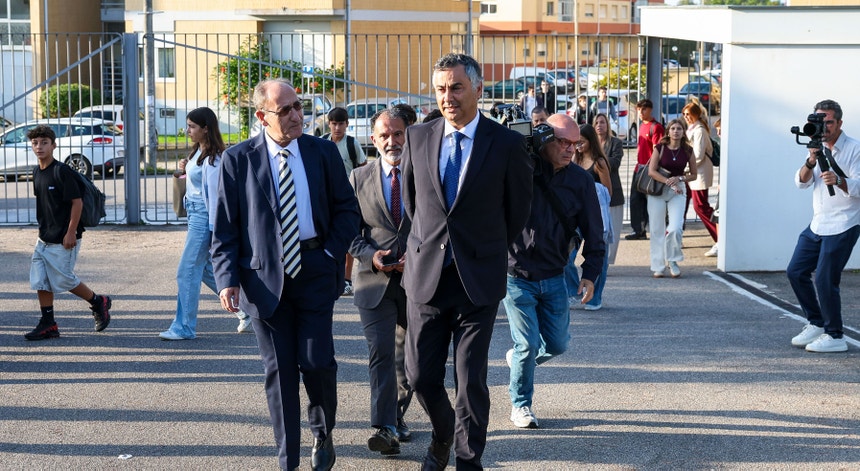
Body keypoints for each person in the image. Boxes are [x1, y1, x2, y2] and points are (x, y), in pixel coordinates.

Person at [211, 78, 360, 471]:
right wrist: (226, 279)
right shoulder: (239, 160)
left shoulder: (322, 152)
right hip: (263, 281)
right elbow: (224, 227)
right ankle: (288, 460)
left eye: (298, 106)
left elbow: (348, 210)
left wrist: (330, 253)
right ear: (263, 117)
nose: (297, 115)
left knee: (317, 362)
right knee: (280, 373)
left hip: (315, 270)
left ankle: (322, 432)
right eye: (286, 110)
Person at [400, 53, 532, 471]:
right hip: (426, 278)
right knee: (420, 376)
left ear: (478, 89)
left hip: (477, 280)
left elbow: (517, 212)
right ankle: (443, 434)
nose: (448, 97)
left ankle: (468, 462)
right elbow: (412, 205)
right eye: (441, 89)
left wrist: (484, 248)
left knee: (470, 380)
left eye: (456, 87)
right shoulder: (418, 137)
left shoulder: (506, 144)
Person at [503, 113, 603, 428]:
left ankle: (520, 360)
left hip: (555, 275)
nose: (570, 149)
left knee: (558, 344)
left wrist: (590, 274)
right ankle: (521, 405)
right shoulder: (519, 170)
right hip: (516, 274)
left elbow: (594, 231)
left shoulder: (581, 180)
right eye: (562, 142)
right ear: (544, 139)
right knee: (527, 343)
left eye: (575, 143)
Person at [348, 108, 414, 456]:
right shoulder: (358, 178)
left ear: (408, 134)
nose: (392, 141)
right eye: (385, 135)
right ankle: (385, 427)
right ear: (373, 139)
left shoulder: (423, 174)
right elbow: (348, 230)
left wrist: (416, 259)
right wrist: (370, 255)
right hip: (373, 282)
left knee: (412, 361)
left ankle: (397, 414)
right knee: (381, 354)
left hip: (418, 282)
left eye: (398, 134)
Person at [159, 107, 251, 340]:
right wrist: (184, 170)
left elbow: (216, 198)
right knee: (205, 269)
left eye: (192, 126)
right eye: (188, 125)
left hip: (204, 217)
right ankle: (246, 310)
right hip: (194, 214)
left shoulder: (215, 159)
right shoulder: (198, 153)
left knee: (187, 271)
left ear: (206, 129)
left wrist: (215, 230)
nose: (187, 130)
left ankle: (184, 328)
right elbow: (195, 183)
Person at [23, 125, 112, 341]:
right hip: (44, 238)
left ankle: (98, 302)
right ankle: (48, 324)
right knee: (41, 280)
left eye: (44, 143)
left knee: (63, 279)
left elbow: (77, 203)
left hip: (64, 238)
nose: (39, 147)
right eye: (35, 143)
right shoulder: (37, 172)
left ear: (53, 145)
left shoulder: (62, 172)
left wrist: (71, 232)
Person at [788, 99, 860, 353]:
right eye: (820, 122)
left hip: (844, 223)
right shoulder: (815, 147)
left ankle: (835, 335)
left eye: (829, 122)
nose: (824, 127)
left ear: (839, 123)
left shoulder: (855, 149)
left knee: (825, 279)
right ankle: (817, 323)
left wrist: (840, 181)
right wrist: (810, 161)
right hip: (818, 223)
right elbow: (801, 183)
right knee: (796, 271)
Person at [566, 123, 612, 311]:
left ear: (591, 141)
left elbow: (608, 192)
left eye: (581, 142)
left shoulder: (599, 163)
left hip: (597, 215)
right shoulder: (573, 160)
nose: (577, 146)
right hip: (575, 215)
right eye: (575, 142)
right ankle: (573, 292)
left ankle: (595, 297)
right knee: (566, 255)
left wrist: (592, 192)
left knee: (599, 257)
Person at [323, 106, 367, 297]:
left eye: (341, 124)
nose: (337, 128)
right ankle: (330, 276)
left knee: (348, 238)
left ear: (347, 124)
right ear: (329, 124)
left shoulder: (351, 144)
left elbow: (363, 167)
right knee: (327, 237)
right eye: (334, 124)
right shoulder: (322, 142)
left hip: (348, 199)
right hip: (326, 198)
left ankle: (347, 279)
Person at [646, 118, 697, 279]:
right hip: (658, 188)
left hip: (678, 190)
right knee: (657, 229)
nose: (676, 131)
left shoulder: (688, 150)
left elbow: (694, 174)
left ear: (683, 132)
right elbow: (651, 171)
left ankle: (673, 261)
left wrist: (680, 179)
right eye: (673, 128)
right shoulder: (660, 148)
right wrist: (668, 181)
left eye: (679, 129)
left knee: (675, 227)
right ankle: (658, 266)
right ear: (668, 131)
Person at [682, 103, 718, 257]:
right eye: (684, 114)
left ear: (696, 114)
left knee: (700, 207)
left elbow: (698, 155)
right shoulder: (692, 129)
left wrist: (684, 167)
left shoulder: (699, 131)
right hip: (692, 173)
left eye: (689, 114)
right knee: (682, 203)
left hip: (698, 172)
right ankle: (676, 236)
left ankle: (720, 238)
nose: (686, 117)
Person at [627, 98, 664, 240]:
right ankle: (638, 230)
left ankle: (655, 229)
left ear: (650, 110)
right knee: (636, 200)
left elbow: (658, 150)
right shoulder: (642, 125)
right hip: (639, 167)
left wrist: (653, 168)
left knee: (651, 201)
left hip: (650, 169)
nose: (641, 112)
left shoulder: (656, 127)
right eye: (639, 110)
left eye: (644, 109)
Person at [594, 113, 625, 264]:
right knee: (598, 230)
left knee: (614, 229)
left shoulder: (616, 143)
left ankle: (607, 261)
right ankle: (599, 260)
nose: (599, 125)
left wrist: (597, 160)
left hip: (614, 192)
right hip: (595, 193)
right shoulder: (591, 143)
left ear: (607, 125)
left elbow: (615, 163)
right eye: (597, 123)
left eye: (602, 122)